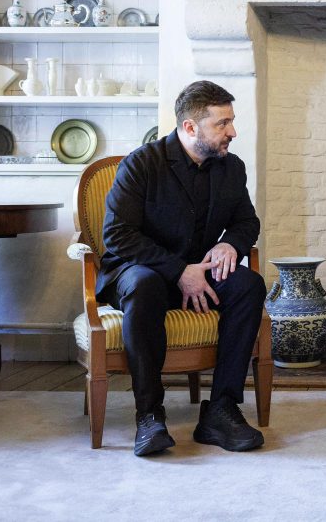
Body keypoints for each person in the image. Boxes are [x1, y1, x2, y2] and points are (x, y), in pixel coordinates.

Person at [97, 80, 266, 456]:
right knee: (145, 286)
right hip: (139, 269)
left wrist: (230, 244)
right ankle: (149, 416)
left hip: (198, 273)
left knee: (248, 285)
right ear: (190, 127)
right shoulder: (142, 163)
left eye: (231, 121)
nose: (232, 132)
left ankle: (221, 410)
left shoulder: (231, 168)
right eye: (222, 123)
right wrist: (178, 271)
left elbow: (246, 221)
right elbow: (117, 235)